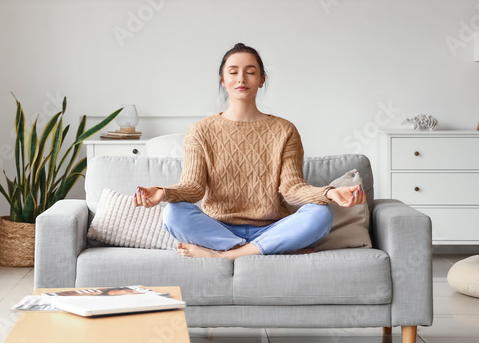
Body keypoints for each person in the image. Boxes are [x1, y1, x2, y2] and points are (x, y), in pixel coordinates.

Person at [132, 42, 365, 260]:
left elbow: (292, 189)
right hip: (218, 227)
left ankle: (227, 254)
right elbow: (193, 188)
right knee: (173, 214)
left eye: (250, 72)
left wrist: (329, 194)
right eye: (233, 72)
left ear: (262, 79)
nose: (241, 78)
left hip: (271, 227)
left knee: (321, 214)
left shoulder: (284, 130)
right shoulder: (200, 131)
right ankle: (266, 249)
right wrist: (164, 192)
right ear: (223, 80)